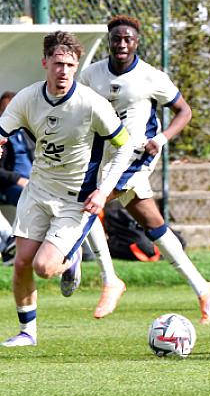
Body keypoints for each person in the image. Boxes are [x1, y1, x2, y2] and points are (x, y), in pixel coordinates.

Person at [80, 15, 210, 322]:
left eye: (127, 39)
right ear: (109, 40)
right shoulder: (91, 75)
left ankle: (108, 280)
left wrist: (162, 138)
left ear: (137, 42)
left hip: (136, 157)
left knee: (89, 203)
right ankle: (203, 287)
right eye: (116, 38)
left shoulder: (151, 77)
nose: (121, 44)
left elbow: (184, 111)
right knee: (154, 226)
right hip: (104, 157)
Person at [0, 32, 137, 347]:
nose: (63, 71)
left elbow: (125, 147)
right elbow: (2, 129)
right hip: (37, 190)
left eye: (70, 65)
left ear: (76, 67)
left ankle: (71, 259)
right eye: (58, 64)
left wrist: (104, 190)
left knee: (44, 267)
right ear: (45, 63)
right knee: (21, 263)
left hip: (75, 198)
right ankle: (27, 333)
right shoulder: (27, 97)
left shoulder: (91, 104)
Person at [0, 91, 33, 262]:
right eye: (5, 110)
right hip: (7, 186)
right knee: (27, 196)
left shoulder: (26, 131)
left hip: (32, 182)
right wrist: (18, 180)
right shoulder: (1, 134)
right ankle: (12, 243)